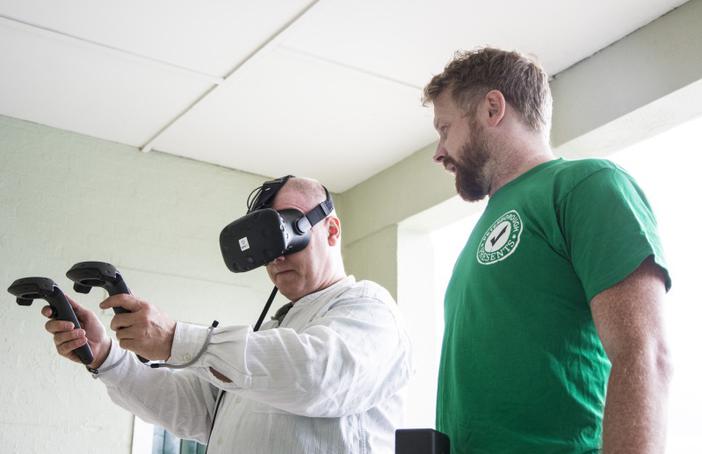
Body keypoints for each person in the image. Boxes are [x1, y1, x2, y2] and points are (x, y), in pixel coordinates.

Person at [43, 177, 412, 454]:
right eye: (269, 243)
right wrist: (107, 357)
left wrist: (177, 340)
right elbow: (194, 408)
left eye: (288, 233)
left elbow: (318, 375)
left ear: (331, 231)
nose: (277, 255)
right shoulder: (272, 334)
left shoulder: (369, 310)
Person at [422, 47, 672, 453]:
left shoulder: (586, 184)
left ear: (492, 108)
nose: (438, 151)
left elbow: (644, 354)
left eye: (444, 128)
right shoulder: (482, 229)